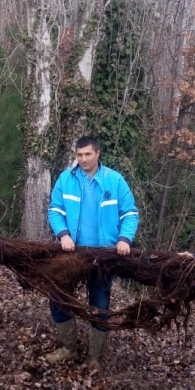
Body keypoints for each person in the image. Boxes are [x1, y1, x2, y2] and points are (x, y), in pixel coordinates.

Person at [44, 136, 139, 366]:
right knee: (58, 298)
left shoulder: (115, 180)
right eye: (79, 155)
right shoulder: (66, 179)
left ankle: (95, 357)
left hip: (104, 255)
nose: (83, 159)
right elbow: (55, 209)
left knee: (99, 304)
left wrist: (124, 239)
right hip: (72, 254)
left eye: (88, 154)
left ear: (98, 154)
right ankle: (69, 348)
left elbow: (130, 213)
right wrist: (63, 234)